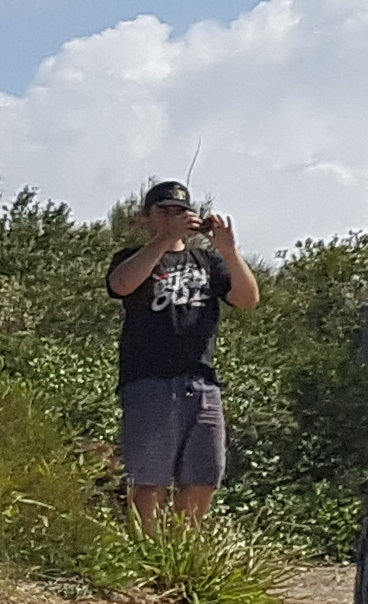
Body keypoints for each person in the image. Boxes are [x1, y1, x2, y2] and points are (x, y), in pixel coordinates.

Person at [105, 179, 261, 526]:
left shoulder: (207, 262)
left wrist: (229, 250)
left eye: (181, 211)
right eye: (165, 210)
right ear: (146, 216)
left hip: (202, 383)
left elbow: (248, 299)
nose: (174, 216)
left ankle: (183, 549)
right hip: (150, 382)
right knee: (149, 477)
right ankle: (146, 549)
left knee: (205, 474)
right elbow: (121, 285)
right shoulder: (132, 258)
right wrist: (164, 240)